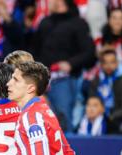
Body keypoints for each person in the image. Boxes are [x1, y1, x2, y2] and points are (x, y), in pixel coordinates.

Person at [33, 0, 96, 130]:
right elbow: (34, 50)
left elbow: (89, 52)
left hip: (65, 78)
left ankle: (67, 147)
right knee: (40, 118)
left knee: (63, 118)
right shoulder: (45, 22)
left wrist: (71, 63)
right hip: (42, 79)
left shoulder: (78, 23)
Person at [88, 49, 122, 132]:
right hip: (98, 118)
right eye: (105, 63)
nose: (108, 66)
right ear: (101, 65)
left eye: (112, 62)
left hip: (118, 120)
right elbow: (91, 101)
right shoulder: (96, 81)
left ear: (117, 63)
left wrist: (110, 117)